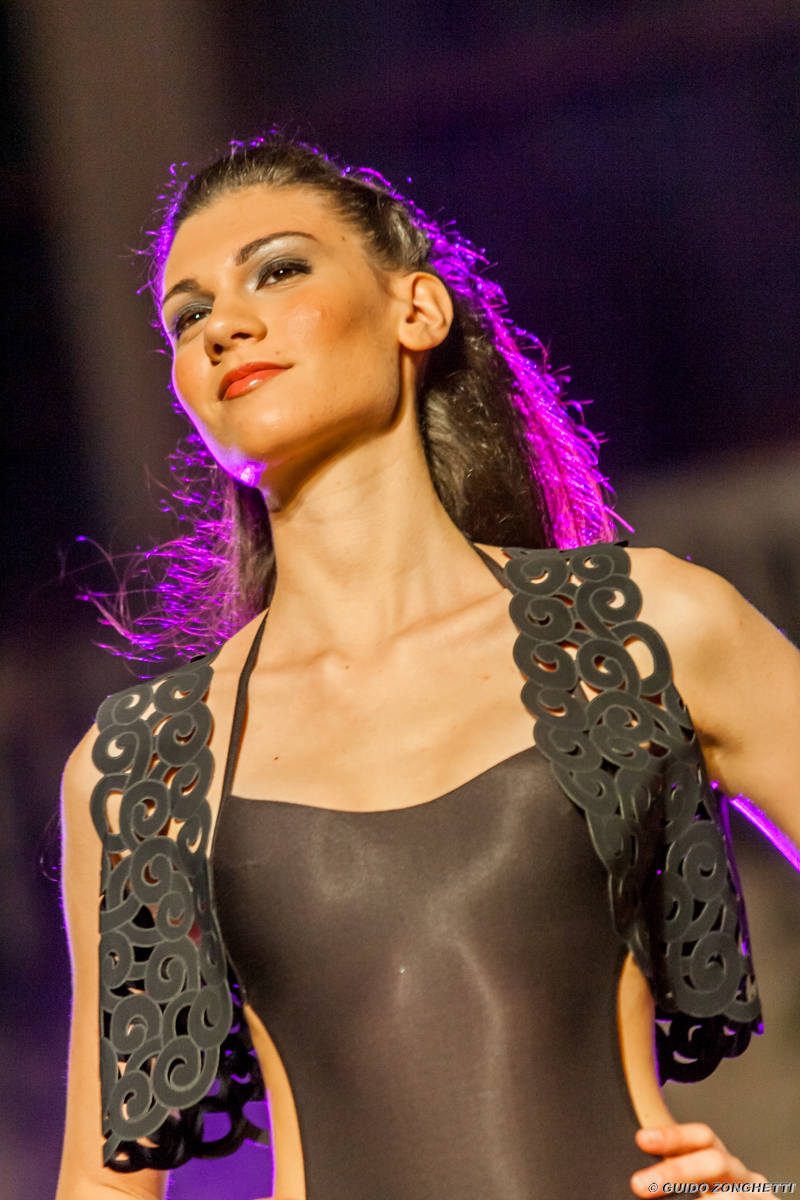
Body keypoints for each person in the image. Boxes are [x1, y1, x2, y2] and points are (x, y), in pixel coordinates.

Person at [56, 132, 800, 1200]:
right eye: (187, 315)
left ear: (416, 309)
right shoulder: (144, 767)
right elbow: (101, 1186)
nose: (223, 325)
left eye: (278, 270)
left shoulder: (648, 632)